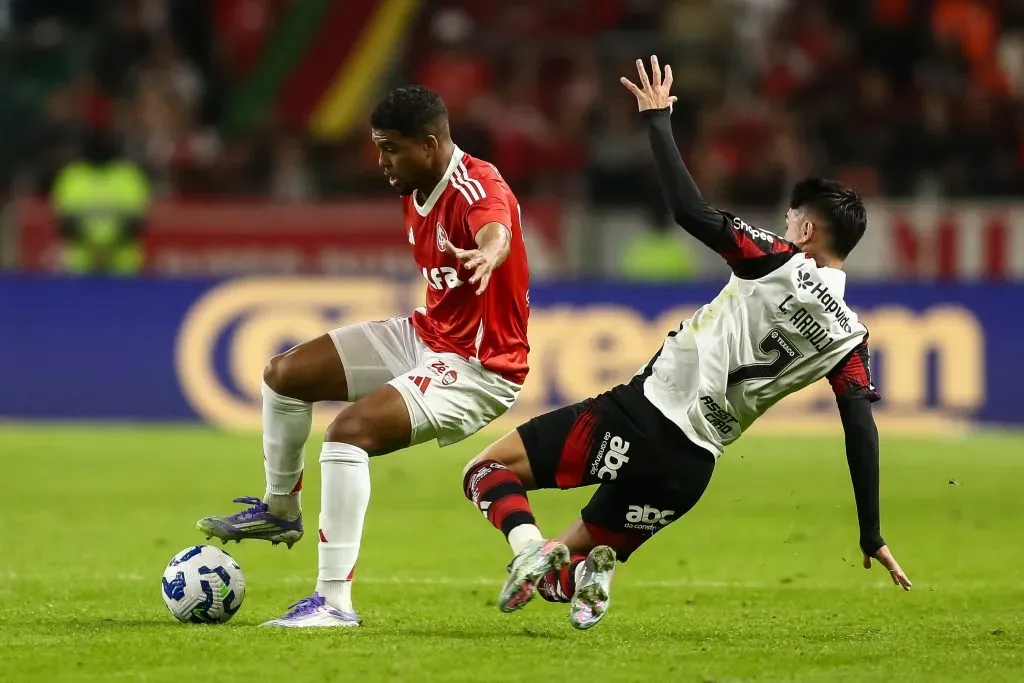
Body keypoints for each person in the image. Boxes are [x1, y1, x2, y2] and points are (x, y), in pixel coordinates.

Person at [460, 56, 912, 631]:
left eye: (791, 216)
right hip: (693, 467)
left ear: (805, 231)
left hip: (645, 416)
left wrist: (657, 121)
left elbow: (689, 211)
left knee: (485, 470)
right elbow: (861, 430)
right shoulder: (850, 337)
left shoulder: (778, 259)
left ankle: (526, 545)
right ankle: (588, 569)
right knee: (562, 571)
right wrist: (870, 532)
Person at [197, 86, 531, 628]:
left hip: (480, 364)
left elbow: (496, 227)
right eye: (378, 147)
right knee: (284, 375)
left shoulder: (476, 187)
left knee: (347, 435)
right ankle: (280, 510)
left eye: (391, 149)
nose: (381, 162)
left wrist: (490, 252)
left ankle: (333, 603)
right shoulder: (415, 180)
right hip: (428, 333)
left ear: (430, 145)